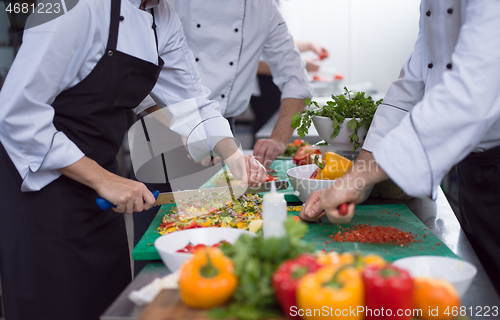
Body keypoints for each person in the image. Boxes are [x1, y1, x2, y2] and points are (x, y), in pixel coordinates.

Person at [0, 0, 266, 319]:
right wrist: (103, 179)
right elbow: (17, 113)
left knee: (110, 301)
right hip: (43, 189)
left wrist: (233, 155)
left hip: (103, 186)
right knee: (57, 302)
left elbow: (193, 102)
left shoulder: (162, 16)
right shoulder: (74, 7)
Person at [299, 1, 500, 295]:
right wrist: (357, 177)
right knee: (483, 285)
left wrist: (360, 178)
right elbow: (408, 92)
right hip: (474, 168)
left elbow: (473, 91)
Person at [141, 0, 314, 169]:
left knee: (230, 197)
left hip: (224, 135)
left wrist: (278, 140)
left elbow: (296, 79)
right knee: (160, 198)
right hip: (165, 126)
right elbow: (139, 78)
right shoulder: (165, 4)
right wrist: (184, 127)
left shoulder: (262, 6)